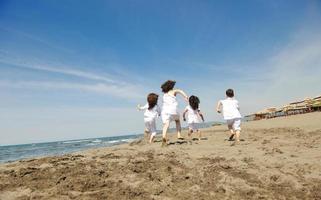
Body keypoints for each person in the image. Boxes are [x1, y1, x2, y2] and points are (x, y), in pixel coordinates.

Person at [161, 80, 188, 146]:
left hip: (165, 111)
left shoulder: (164, 95)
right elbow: (180, 91)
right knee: (177, 121)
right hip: (173, 110)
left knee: (166, 125)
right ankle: (179, 135)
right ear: (171, 86)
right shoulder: (173, 91)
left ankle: (164, 136)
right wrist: (185, 96)